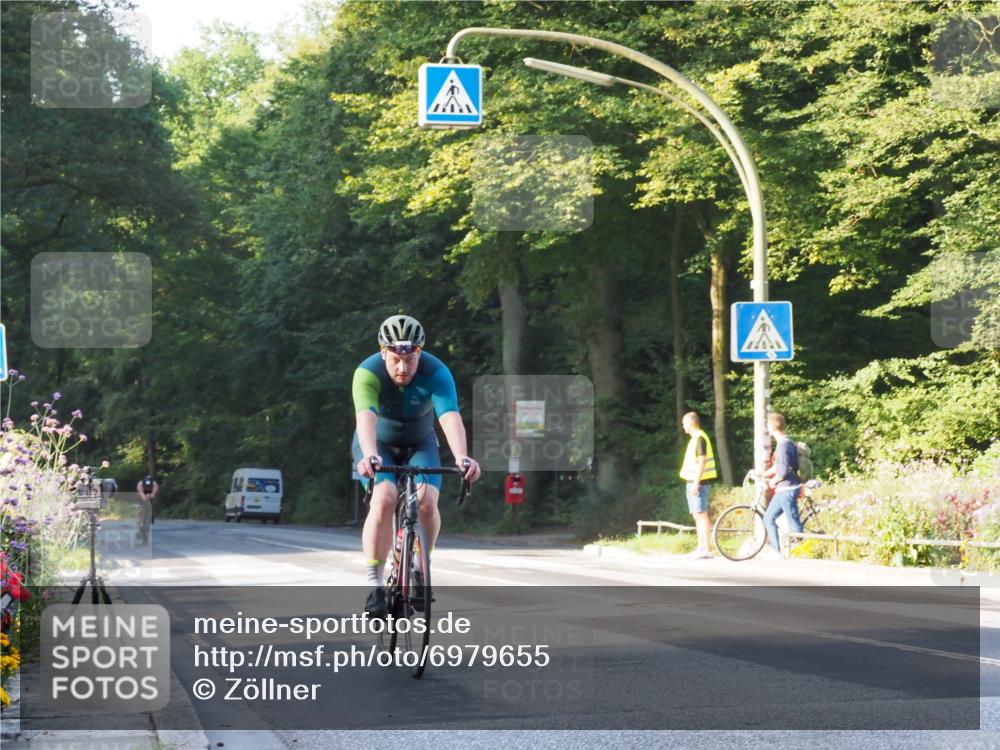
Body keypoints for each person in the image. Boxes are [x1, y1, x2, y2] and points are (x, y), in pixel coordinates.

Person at [353, 315, 481, 617]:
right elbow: (365, 417)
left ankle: (421, 565)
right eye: (396, 359)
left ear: (419, 353)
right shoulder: (367, 372)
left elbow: (449, 415)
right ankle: (375, 586)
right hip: (378, 445)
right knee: (383, 499)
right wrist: (369, 454)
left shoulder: (436, 372)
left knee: (426, 502)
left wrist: (462, 457)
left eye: (410, 359)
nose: (403, 367)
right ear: (384, 352)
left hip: (420, 443)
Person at [761, 412, 803, 557]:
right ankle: (776, 550)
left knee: (793, 522)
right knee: (769, 518)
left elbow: (783, 470)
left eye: (768, 425)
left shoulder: (783, 445)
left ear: (772, 427)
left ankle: (802, 551)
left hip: (787, 488)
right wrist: (765, 474)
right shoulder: (787, 442)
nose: (767, 428)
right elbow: (780, 466)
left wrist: (773, 480)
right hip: (786, 488)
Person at [679, 412, 717, 559]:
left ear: (691, 423)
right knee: (697, 515)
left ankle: (706, 549)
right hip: (693, 481)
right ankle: (700, 548)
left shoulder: (700, 438)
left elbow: (702, 461)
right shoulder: (696, 438)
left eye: (684, 423)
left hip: (699, 482)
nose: (683, 426)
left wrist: (696, 483)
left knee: (702, 515)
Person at [136, 475, 158, 543]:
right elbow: (141, 494)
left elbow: (153, 494)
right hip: (141, 497)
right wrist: (145, 497)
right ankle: (138, 529)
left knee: (151, 505)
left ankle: (151, 515)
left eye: (149, 487)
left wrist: (150, 496)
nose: (148, 488)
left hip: (150, 497)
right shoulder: (140, 484)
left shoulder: (155, 484)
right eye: (146, 487)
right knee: (139, 511)